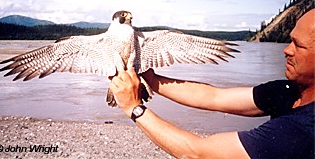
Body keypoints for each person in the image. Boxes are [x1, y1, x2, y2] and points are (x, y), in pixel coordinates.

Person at [109, 9, 315, 158]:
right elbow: (214, 97)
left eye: (299, 45)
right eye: (290, 41)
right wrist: (152, 80)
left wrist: (135, 108)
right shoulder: (289, 91)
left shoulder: (304, 129)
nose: (286, 50)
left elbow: (197, 153)